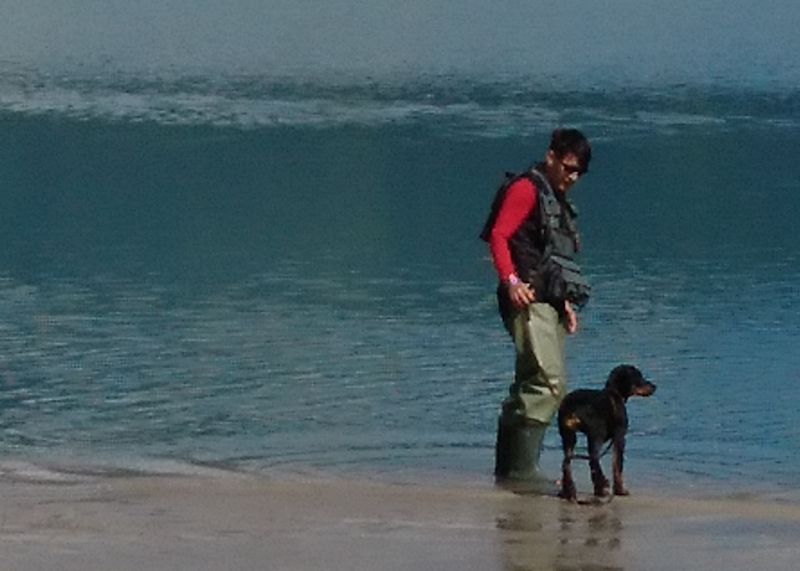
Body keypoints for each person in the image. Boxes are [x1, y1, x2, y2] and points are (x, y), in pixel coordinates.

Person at [480, 128, 592, 482]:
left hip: (547, 299)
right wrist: (511, 281)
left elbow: (551, 257)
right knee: (547, 383)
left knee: (532, 381)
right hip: (527, 297)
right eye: (568, 168)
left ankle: (509, 472)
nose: (572, 177)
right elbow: (499, 235)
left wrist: (564, 304)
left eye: (578, 172)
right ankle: (521, 471)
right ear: (551, 157)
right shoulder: (526, 189)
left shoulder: (553, 196)